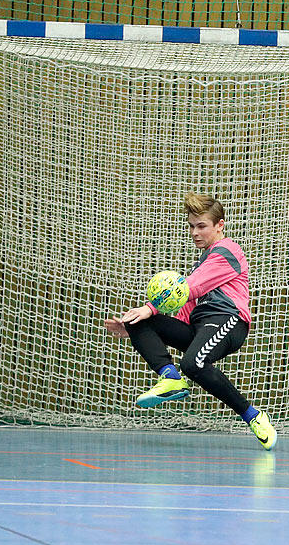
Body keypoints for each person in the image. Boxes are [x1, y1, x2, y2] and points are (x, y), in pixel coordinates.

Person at [105, 193, 275, 451]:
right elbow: (184, 309)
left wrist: (151, 307)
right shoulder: (201, 262)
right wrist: (138, 330)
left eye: (202, 226)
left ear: (220, 225)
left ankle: (253, 416)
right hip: (200, 326)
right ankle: (170, 376)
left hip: (227, 321)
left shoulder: (228, 251)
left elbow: (191, 288)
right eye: (192, 226)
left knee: (192, 362)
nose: (195, 233)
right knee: (139, 322)